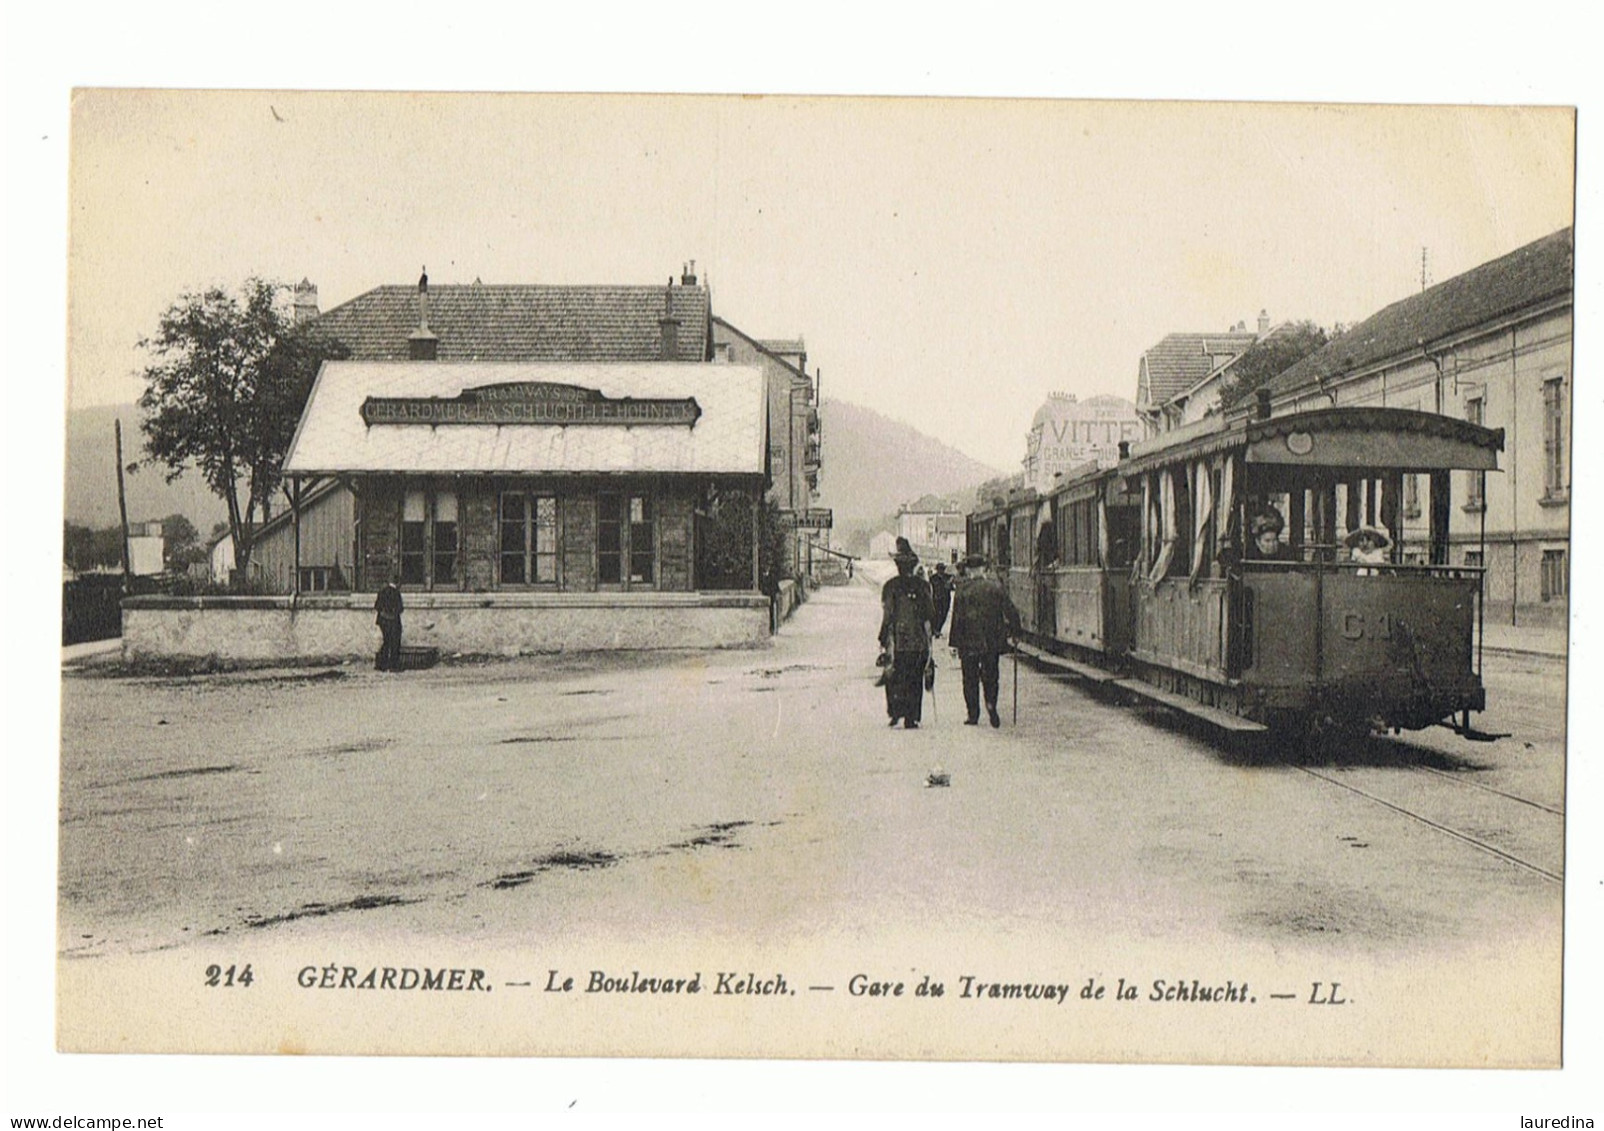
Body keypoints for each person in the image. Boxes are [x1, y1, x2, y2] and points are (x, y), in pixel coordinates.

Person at [947, 554, 1022, 728]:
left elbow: (956, 619)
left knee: (969, 679)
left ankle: (973, 714)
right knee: (991, 676)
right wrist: (1016, 632)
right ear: (983, 569)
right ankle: (991, 705)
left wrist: (954, 644)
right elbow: (1011, 611)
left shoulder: (962, 590)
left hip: (968, 642)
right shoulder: (995, 588)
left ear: (969, 571)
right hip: (991, 641)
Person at [878, 537, 935, 729]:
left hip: (897, 639)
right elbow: (929, 615)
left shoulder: (890, 586)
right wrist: (930, 638)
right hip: (918, 640)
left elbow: (888, 615)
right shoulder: (922, 586)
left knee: (895, 675)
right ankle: (912, 716)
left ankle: (895, 712)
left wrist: (883, 637)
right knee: (914, 678)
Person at [374, 577, 403, 671]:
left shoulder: (382, 591)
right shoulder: (396, 593)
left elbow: (377, 606)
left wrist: (383, 612)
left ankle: (381, 665)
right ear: (397, 583)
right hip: (393, 621)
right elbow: (400, 608)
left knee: (386, 642)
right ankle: (394, 666)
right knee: (395, 643)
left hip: (382, 621)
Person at [929, 561, 955, 638]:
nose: (941, 571)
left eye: (942, 569)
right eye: (940, 569)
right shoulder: (933, 578)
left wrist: (950, 582)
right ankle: (936, 630)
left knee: (944, 614)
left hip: (946, 599)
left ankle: (938, 629)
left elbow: (951, 587)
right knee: (937, 614)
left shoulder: (947, 577)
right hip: (936, 598)